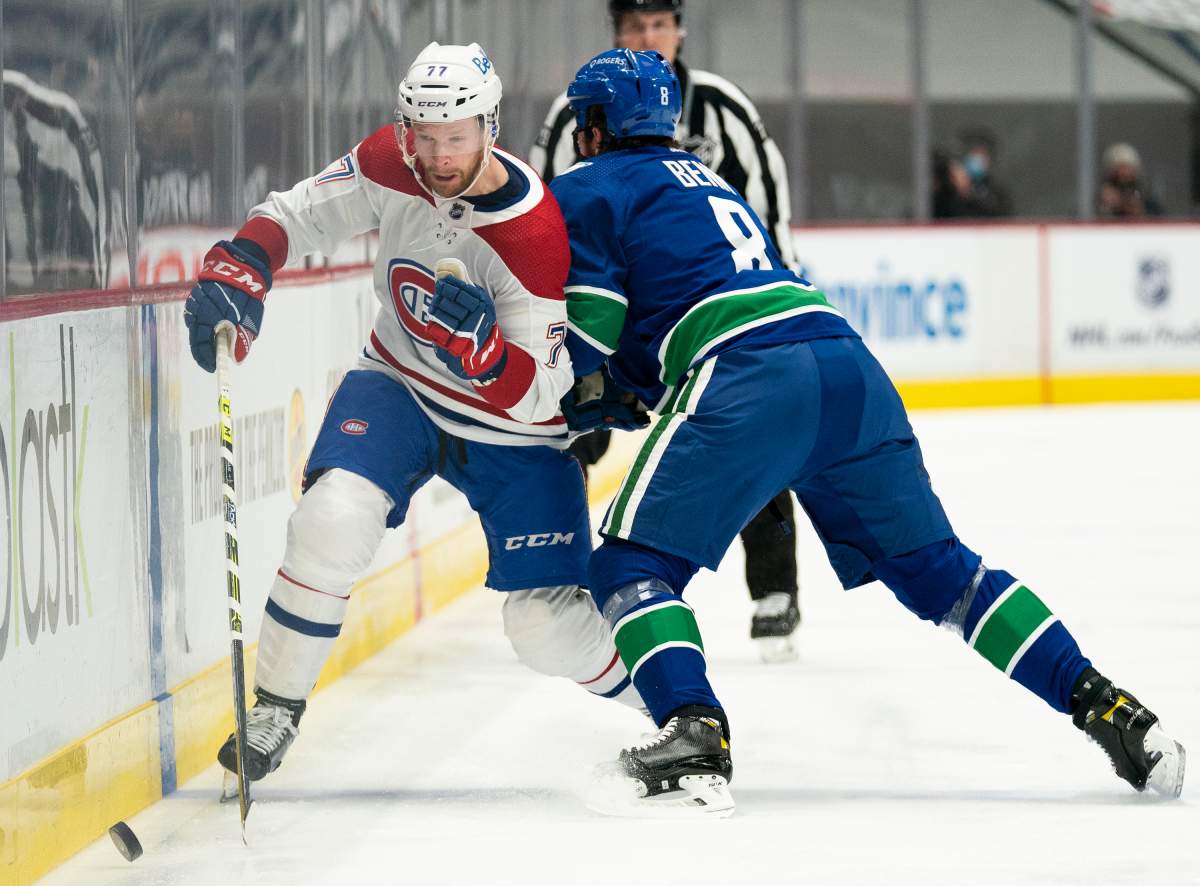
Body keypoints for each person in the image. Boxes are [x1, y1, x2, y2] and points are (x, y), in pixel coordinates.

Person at [550, 48, 1186, 816]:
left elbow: (594, 332)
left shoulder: (588, 186)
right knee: (950, 579)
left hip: (749, 373)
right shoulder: (711, 181)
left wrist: (571, 396)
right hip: (849, 367)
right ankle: (1110, 710)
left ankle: (693, 727)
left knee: (626, 565)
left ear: (593, 126)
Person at [183, 41, 643, 783]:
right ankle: (276, 706)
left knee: (547, 629)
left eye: (454, 136)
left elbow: (542, 391)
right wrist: (246, 262)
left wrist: (488, 353)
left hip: (513, 431)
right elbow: (296, 214)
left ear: (489, 127)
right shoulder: (391, 163)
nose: (436, 154)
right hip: (400, 382)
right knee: (332, 517)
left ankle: (675, 712)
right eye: (423, 135)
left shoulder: (531, 231)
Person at [530, 0, 802, 662]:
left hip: (707, 304)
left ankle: (774, 590)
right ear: (618, 36)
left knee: (743, 427)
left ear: (679, 32)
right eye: (636, 28)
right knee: (564, 430)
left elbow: (766, 196)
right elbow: (540, 204)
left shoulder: (719, 104)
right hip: (606, 300)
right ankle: (555, 576)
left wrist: (779, 279)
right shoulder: (578, 111)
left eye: (659, 26)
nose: (651, 37)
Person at [1099, 142, 1163, 218]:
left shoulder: (1145, 196)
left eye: (1127, 168)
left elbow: (1160, 220)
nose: (1123, 174)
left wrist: (1138, 210)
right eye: (1119, 168)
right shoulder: (1101, 197)